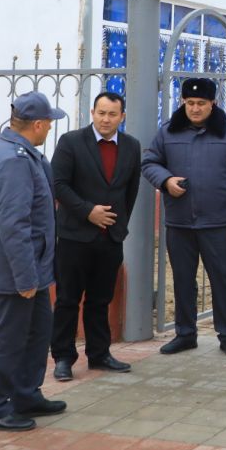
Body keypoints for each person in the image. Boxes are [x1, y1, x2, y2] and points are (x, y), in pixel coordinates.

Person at [0, 91, 69, 431]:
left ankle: (26, 394)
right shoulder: (12, 160)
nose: (51, 128)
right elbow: (14, 225)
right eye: (49, 123)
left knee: (37, 332)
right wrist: (25, 277)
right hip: (17, 271)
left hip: (34, 265)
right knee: (9, 338)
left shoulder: (22, 153)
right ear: (38, 124)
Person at [143, 77, 226, 357]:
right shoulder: (168, 131)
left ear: (212, 103)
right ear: (183, 101)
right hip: (180, 221)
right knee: (182, 280)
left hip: (218, 222)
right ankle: (185, 333)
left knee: (221, 279)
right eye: (190, 102)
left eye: (201, 103)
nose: (195, 108)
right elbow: (150, 162)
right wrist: (166, 180)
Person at [49, 91, 142, 381]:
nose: (106, 119)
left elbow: (131, 191)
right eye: (101, 113)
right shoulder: (71, 142)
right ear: (92, 113)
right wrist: (88, 211)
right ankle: (63, 358)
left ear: (122, 117)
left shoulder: (131, 146)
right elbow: (58, 184)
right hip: (75, 237)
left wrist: (118, 225)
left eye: (112, 114)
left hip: (110, 238)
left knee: (100, 300)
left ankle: (99, 354)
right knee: (67, 299)